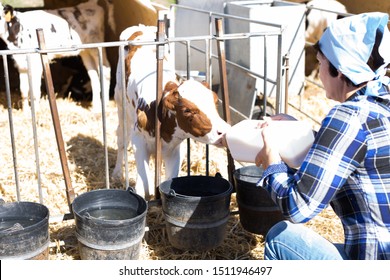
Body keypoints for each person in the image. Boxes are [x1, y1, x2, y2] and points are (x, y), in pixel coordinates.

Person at [255, 12, 390, 260]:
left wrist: (271, 162)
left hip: (374, 260)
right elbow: (355, 149)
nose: (318, 73)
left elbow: (297, 207)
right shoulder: (382, 102)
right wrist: (302, 132)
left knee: (280, 238)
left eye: (319, 63)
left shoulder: (349, 117)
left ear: (339, 70)